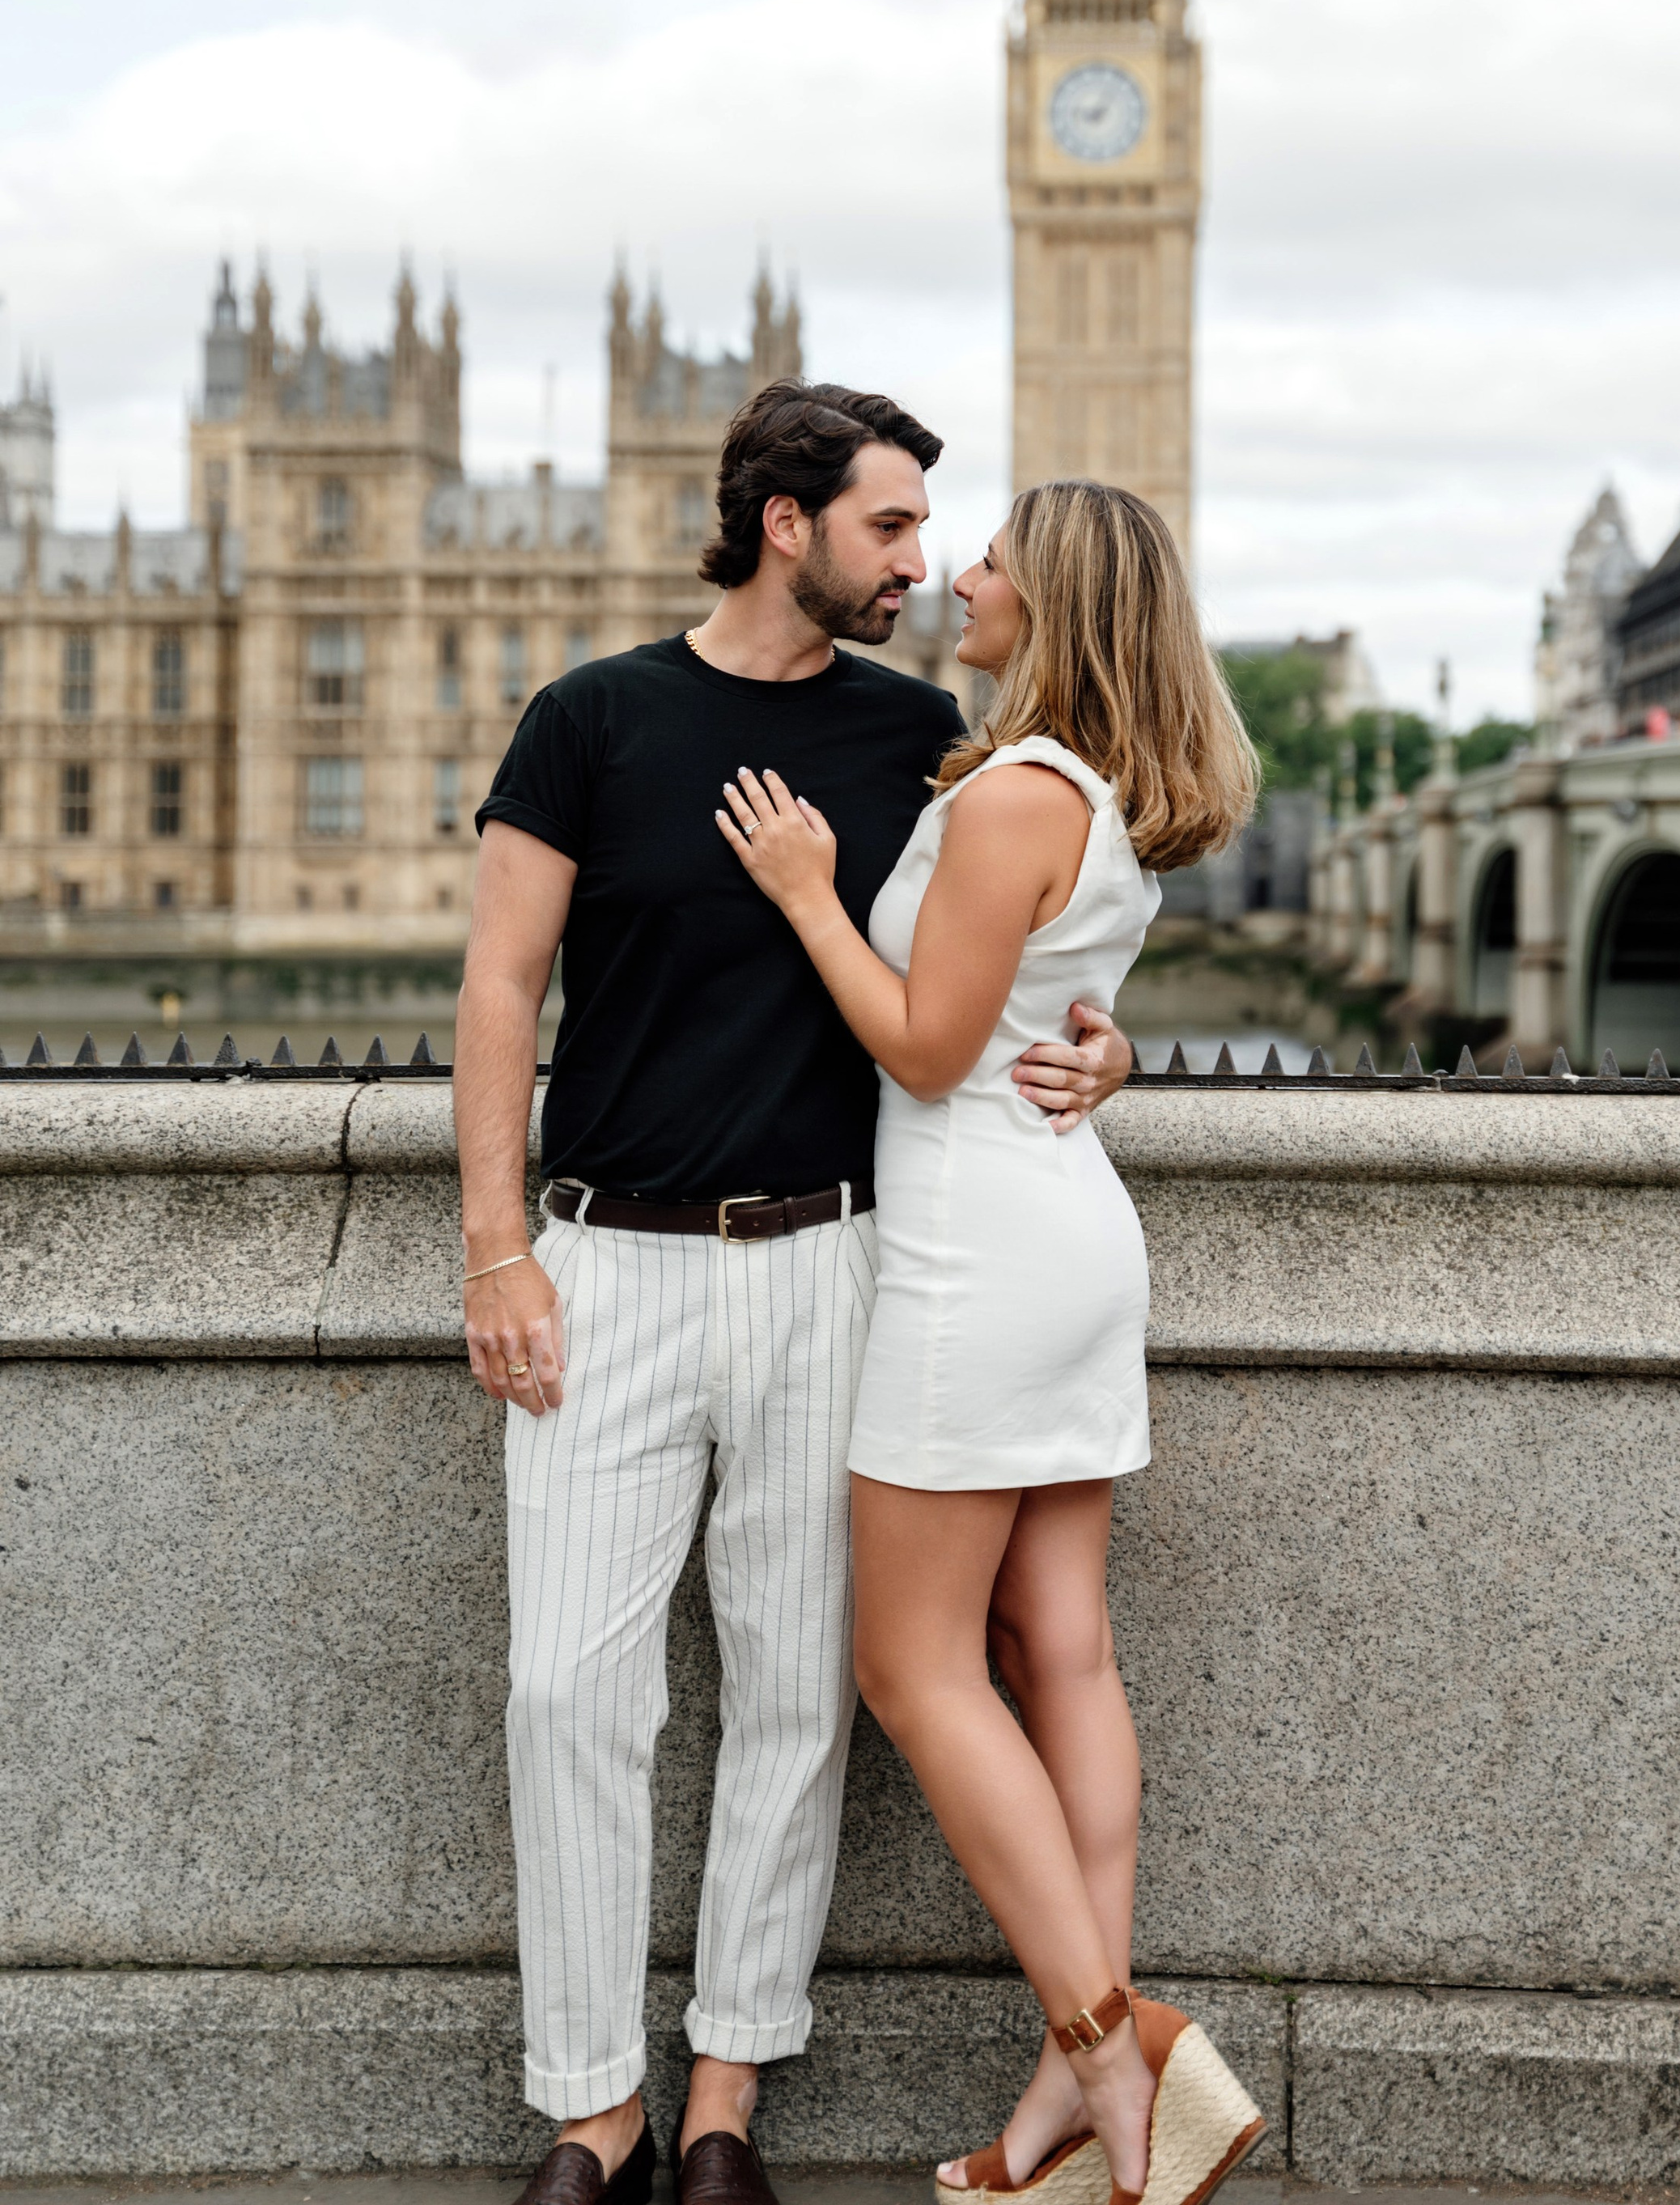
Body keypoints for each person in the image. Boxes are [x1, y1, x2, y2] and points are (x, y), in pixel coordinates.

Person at [456, 385, 1135, 2205]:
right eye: (893, 528)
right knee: (565, 1692)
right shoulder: (591, 719)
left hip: (837, 1262)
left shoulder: (928, 738)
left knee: (792, 1700)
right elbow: (503, 990)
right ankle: (586, 2107)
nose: (924, 562)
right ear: (783, 522)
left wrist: (1109, 1046)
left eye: (933, 535)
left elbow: (1034, 942)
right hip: (604, 1261)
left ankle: (721, 2107)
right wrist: (494, 1245)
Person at [716, 478, 1262, 2205]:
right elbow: (1048, 1019)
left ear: (1058, 600)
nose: (961, 572)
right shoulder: (1099, 797)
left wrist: (808, 889)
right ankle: (1064, 2101)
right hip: (1063, 1228)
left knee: (915, 1665)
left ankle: (1118, 2045)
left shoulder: (1018, 791)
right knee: (1059, 1645)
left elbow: (929, 1047)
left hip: (972, 1250)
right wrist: (1108, 1054)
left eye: (995, 557)